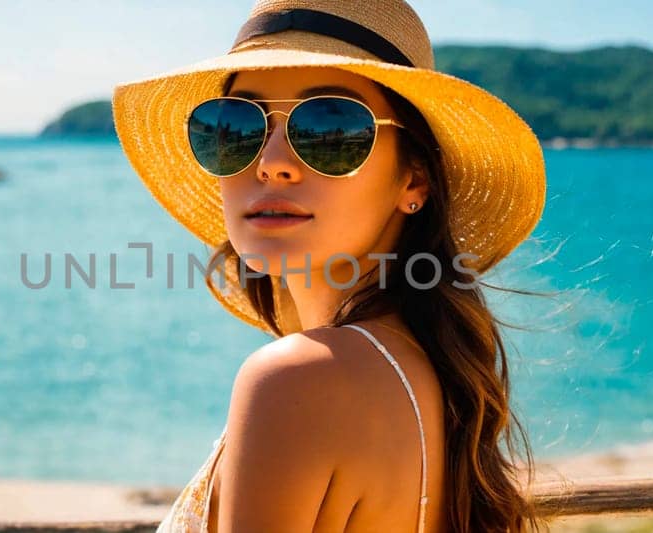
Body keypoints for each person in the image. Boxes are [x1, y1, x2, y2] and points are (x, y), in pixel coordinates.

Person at [112, 0, 547, 530]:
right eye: (236, 127)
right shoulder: (422, 371)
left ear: (414, 179)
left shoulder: (296, 382)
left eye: (329, 130)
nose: (270, 163)